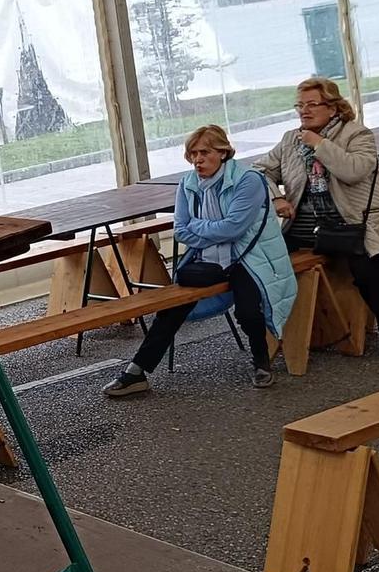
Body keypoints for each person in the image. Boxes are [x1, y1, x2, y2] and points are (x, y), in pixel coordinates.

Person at [104, 126, 296, 398]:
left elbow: (233, 230)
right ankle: (136, 372)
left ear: (223, 152)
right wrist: (210, 230)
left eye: (204, 152)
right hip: (206, 259)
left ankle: (261, 363)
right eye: (192, 153)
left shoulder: (249, 180)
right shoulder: (188, 183)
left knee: (248, 311)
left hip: (249, 257)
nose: (197, 159)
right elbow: (180, 231)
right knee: (171, 307)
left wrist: (200, 227)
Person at [258, 77, 379, 358]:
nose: (304, 111)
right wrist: (276, 197)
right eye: (299, 105)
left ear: (333, 107)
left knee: (367, 273)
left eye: (312, 104)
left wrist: (320, 144)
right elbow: (260, 171)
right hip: (306, 227)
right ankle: (279, 337)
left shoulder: (357, 134)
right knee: (264, 263)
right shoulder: (290, 139)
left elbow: (354, 171)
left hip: (358, 224)